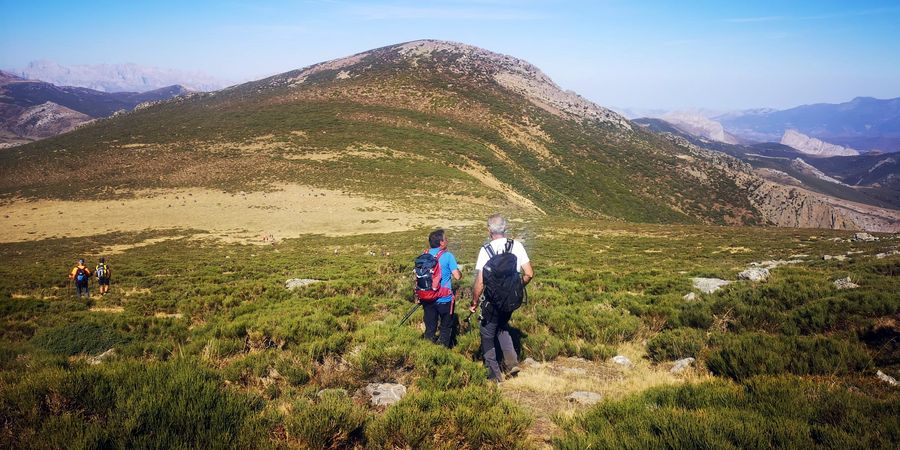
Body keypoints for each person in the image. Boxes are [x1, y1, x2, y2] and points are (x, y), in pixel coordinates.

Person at [470, 214, 534, 382]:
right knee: (502, 326)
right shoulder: (517, 246)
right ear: (505, 228)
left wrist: (474, 302)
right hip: (511, 301)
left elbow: (480, 282)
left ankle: (494, 376)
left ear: (489, 230)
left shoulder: (486, 250)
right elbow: (529, 274)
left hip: (492, 302)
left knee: (487, 334)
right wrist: (516, 288)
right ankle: (512, 363)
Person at [422, 229, 461, 347]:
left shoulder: (424, 255)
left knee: (430, 328)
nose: (447, 241)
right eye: (446, 239)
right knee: (445, 328)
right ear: (441, 242)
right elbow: (457, 276)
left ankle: (427, 349)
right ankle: (442, 350)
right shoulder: (448, 256)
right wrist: (459, 272)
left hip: (428, 298)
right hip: (444, 299)